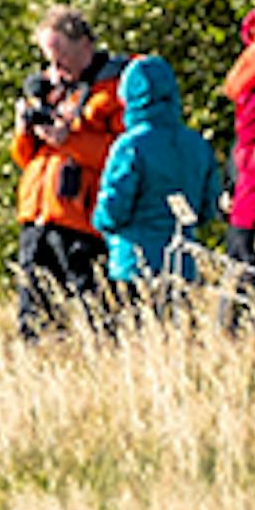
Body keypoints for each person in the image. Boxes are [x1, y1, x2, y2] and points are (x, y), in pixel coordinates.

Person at [10, 6, 124, 333]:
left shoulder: (113, 90)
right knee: (34, 317)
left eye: (61, 58)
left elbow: (122, 155)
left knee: (97, 316)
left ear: (85, 45)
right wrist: (24, 130)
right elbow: (26, 158)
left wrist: (69, 140)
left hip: (82, 221)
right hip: (39, 215)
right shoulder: (52, 89)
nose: (55, 69)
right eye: (49, 59)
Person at [94, 52, 218, 319]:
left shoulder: (130, 146)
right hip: (182, 263)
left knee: (134, 342)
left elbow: (112, 208)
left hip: (132, 263)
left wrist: (102, 224)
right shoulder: (197, 144)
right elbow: (208, 207)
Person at [218, 1, 255, 326]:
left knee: (240, 255)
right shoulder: (254, 48)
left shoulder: (254, 52)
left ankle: (238, 331)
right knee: (239, 253)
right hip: (248, 165)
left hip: (253, 166)